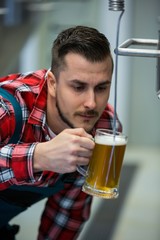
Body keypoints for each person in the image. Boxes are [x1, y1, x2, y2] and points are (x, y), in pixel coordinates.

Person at [0, 25, 122, 240]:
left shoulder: (104, 129)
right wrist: (37, 157)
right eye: (78, 87)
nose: (91, 103)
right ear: (53, 84)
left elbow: (67, 214)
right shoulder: (8, 109)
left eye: (101, 88)